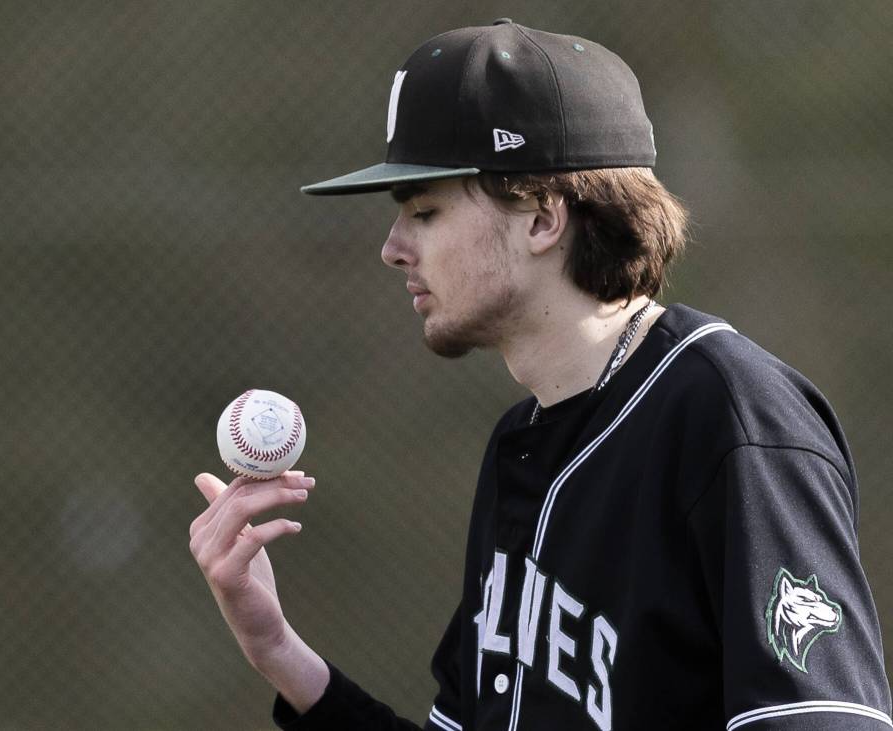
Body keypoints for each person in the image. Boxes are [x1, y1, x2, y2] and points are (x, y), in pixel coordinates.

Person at [188, 19, 892, 730]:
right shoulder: (519, 444)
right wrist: (275, 646)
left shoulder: (732, 416)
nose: (393, 248)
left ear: (541, 218)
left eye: (425, 211)